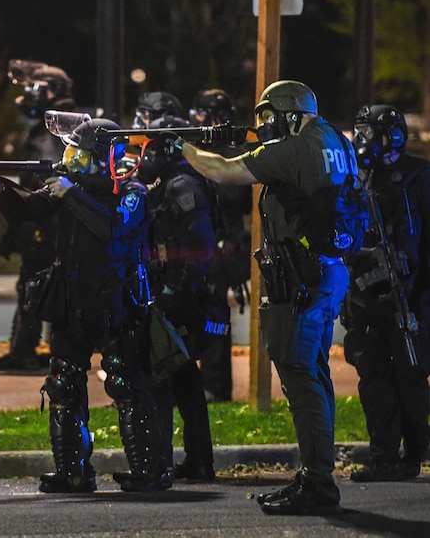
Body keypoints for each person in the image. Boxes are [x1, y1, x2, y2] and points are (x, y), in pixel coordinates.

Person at [175, 80, 357, 515]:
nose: (267, 128)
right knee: (313, 372)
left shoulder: (294, 149)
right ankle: (317, 474)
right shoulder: (337, 141)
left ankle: (317, 481)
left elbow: (222, 171)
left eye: (271, 118)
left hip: (301, 281)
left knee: (299, 374)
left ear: (292, 114)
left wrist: (182, 146)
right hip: (329, 271)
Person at [0, 116, 171, 494]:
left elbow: (114, 229)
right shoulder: (69, 188)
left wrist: (71, 193)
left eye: (79, 155)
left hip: (118, 302)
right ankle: (73, 473)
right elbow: (27, 212)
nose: (71, 161)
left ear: (102, 156)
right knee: (63, 384)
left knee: (125, 383)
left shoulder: (133, 191)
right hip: (73, 300)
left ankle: (150, 473)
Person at [343, 104, 430, 482]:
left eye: (369, 132)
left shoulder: (420, 176)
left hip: (410, 295)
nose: (362, 141)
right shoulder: (356, 177)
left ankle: (413, 454)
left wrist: (418, 290)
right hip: (364, 297)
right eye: (359, 132)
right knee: (373, 375)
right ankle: (383, 455)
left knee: (409, 376)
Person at [138, 114, 217, 481]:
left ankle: (163, 462)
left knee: (166, 380)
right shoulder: (173, 181)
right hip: (175, 294)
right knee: (183, 381)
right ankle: (196, 461)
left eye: (150, 147)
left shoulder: (182, 185)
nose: (144, 155)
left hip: (180, 299)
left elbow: (199, 244)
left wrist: (177, 291)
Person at [0, 61, 75, 372]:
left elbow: (51, 178)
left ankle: (29, 352)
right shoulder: (50, 123)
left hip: (49, 223)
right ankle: (24, 350)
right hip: (44, 221)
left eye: (38, 89)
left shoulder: (60, 126)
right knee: (33, 283)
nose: (31, 96)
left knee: (37, 284)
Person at [189, 89, 252, 402]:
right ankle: (202, 381)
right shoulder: (207, 149)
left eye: (202, 112)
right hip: (206, 246)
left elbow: (236, 197)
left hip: (223, 247)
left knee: (214, 318)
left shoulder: (231, 152)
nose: (196, 118)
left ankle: (216, 385)